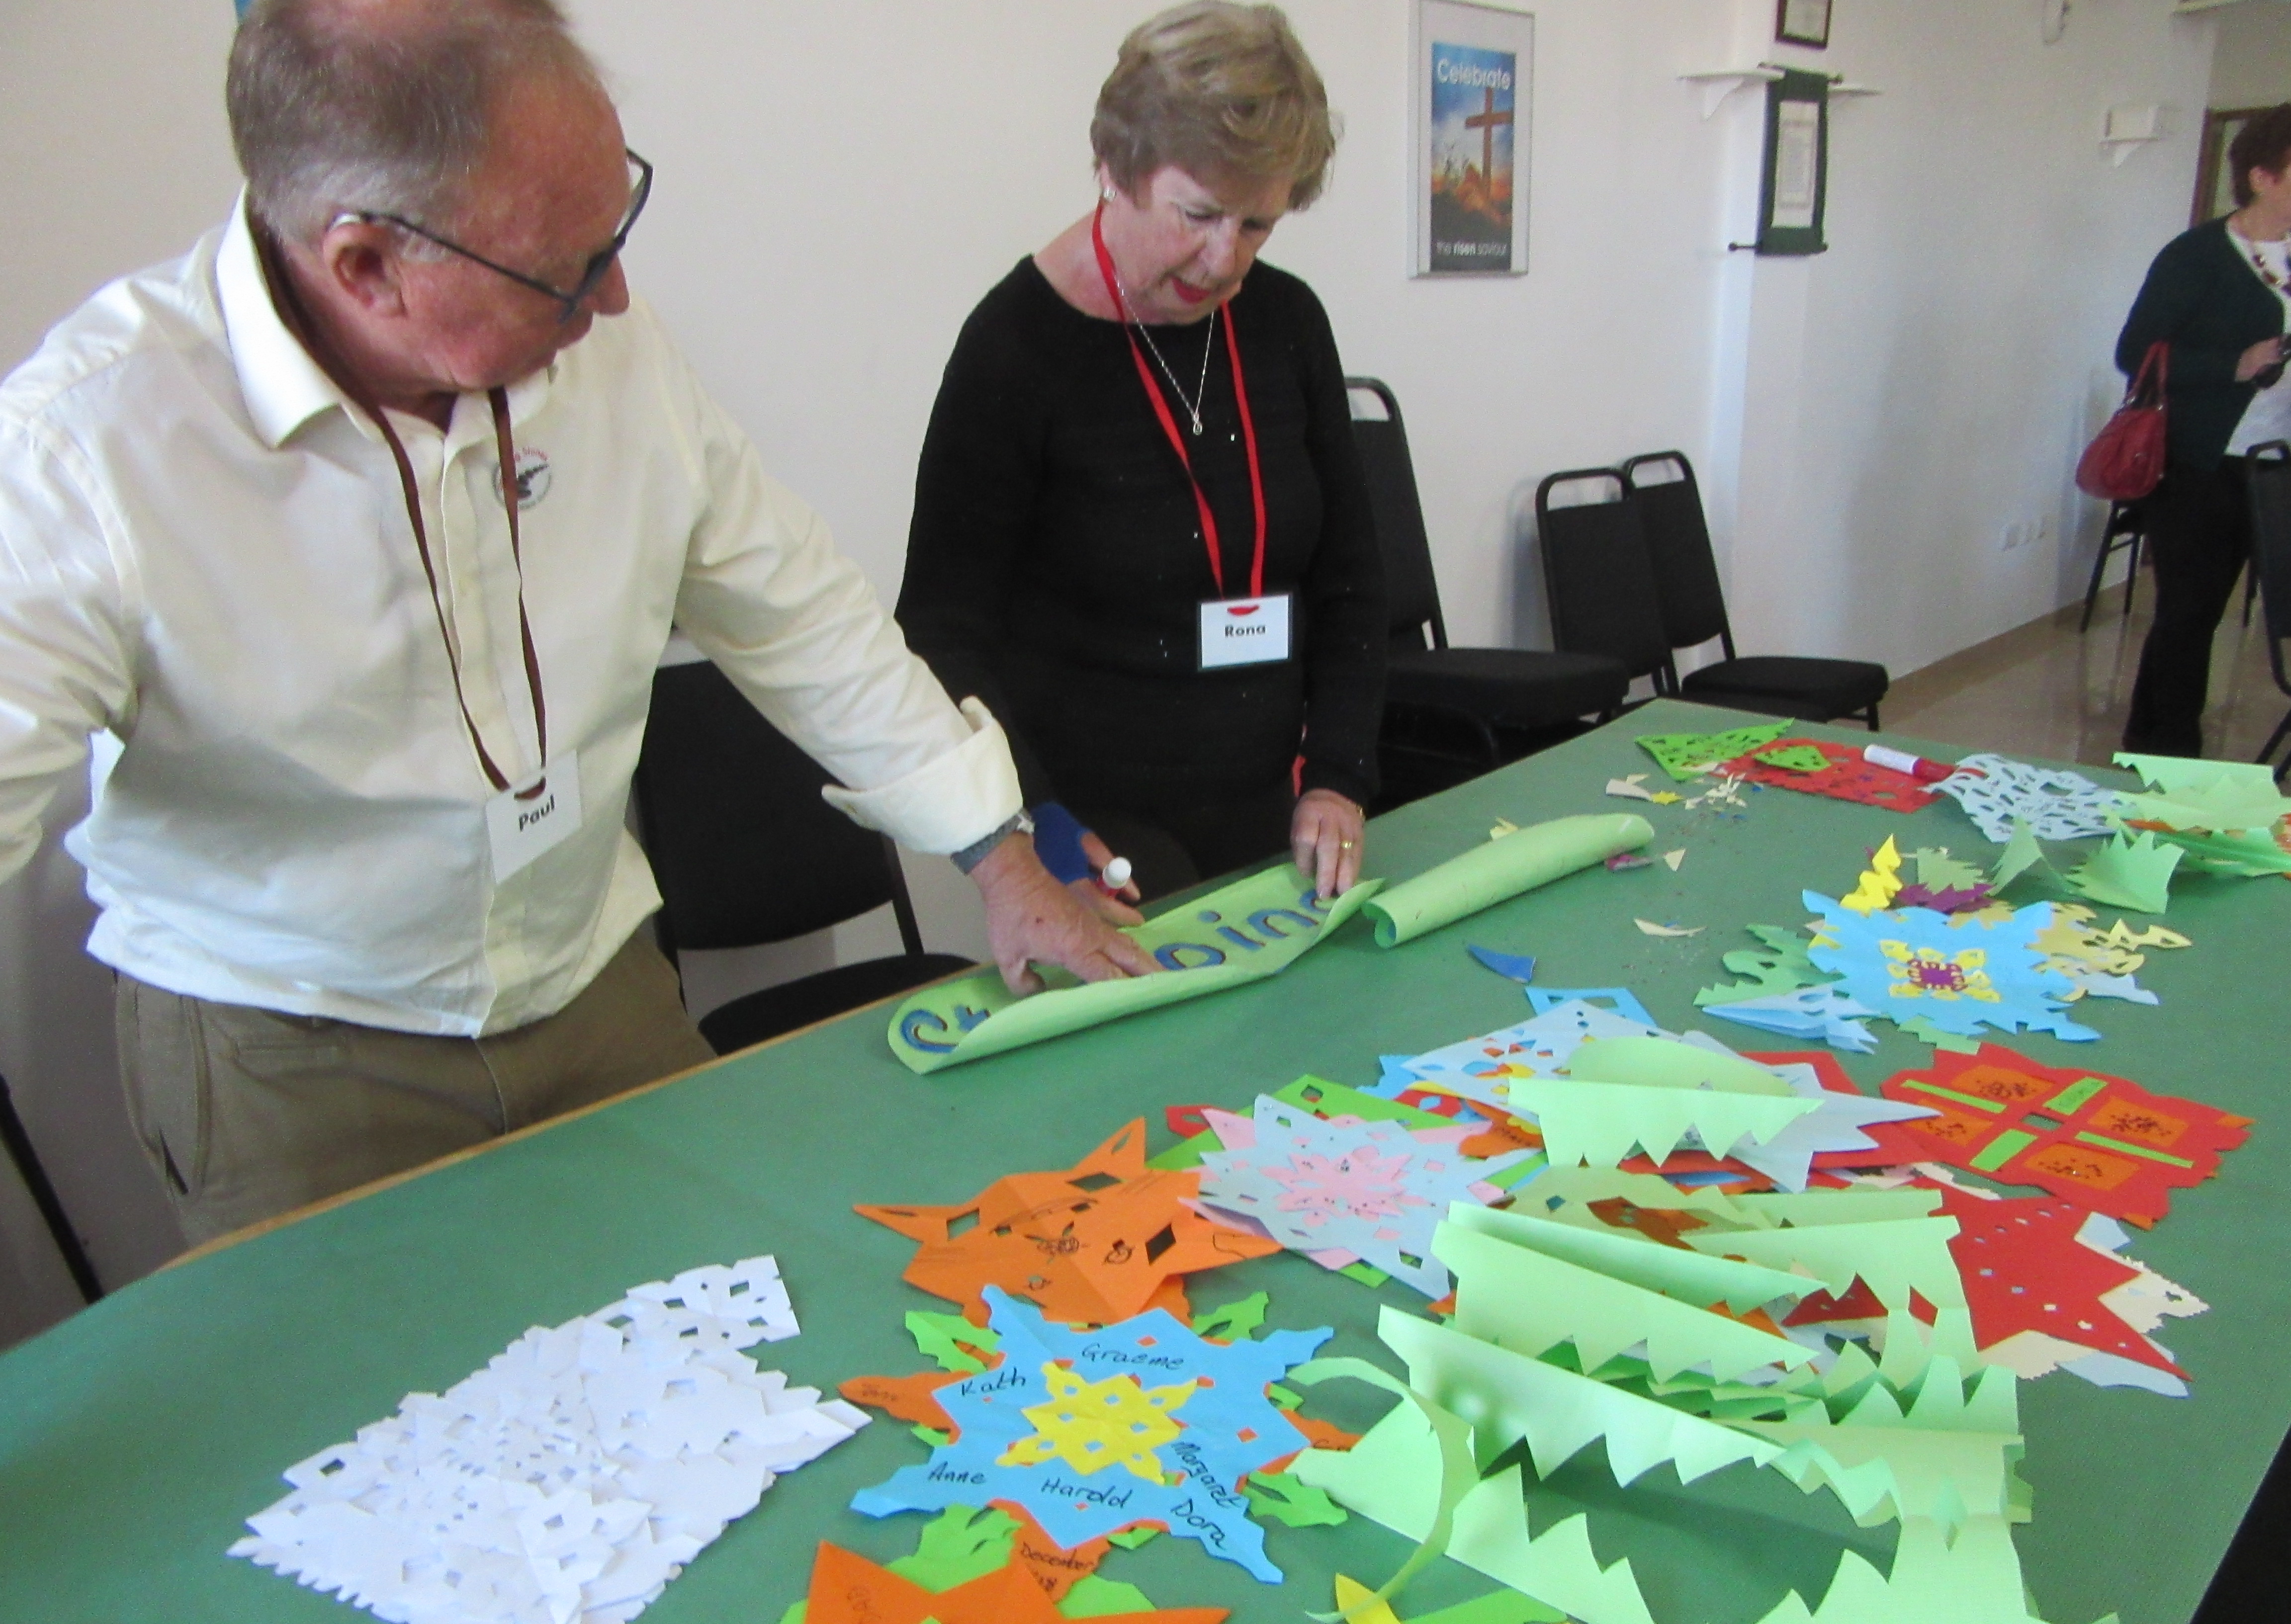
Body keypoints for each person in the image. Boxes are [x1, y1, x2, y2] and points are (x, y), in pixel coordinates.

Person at [0, 0, 1152, 1247]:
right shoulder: (88, 448)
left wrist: (999, 856)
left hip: (592, 979)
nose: (614, 299)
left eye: (618, 226)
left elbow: (803, 617)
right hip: (298, 1048)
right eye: (566, 267)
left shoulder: (613, 353)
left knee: (726, 1343)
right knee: (380, 1417)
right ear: (366, 266)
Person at [896, 0, 1386, 921]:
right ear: (1115, 170)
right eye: (1198, 214)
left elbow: (1354, 578)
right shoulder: (1015, 351)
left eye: (1258, 226)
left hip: (1278, 809)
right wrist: (1030, 824)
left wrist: (1339, 776)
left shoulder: (1286, 325)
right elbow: (941, 628)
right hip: (1096, 835)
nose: (1224, 259)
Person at [2115, 103, 2291, 757]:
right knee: (2190, 614)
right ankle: (2172, 756)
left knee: (2204, 615)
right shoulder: (2197, 256)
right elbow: (2135, 353)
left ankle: (2145, 735)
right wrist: (2234, 364)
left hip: (2276, 462)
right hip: (2200, 462)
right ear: (2263, 177)